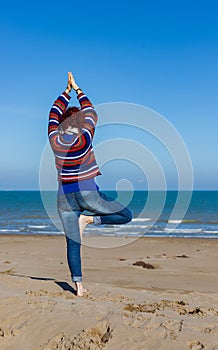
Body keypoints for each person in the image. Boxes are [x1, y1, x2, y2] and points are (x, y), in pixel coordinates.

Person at [48, 72, 132, 297]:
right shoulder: (85, 137)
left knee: (73, 244)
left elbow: (53, 114)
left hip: (63, 196)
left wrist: (65, 92)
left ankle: (79, 288)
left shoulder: (54, 139)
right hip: (87, 193)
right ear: (80, 122)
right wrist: (77, 89)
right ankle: (90, 219)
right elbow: (91, 112)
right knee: (126, 215)